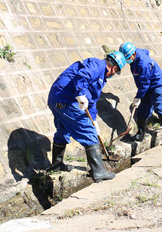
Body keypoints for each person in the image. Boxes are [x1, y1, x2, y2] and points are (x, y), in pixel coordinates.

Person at [47, 51, 126, 181]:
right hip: (66, 99)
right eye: (115, 72)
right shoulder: (97, 65)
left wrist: (94, 121)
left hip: (56, 99)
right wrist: (80, 94)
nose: (113, 74)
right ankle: (98, 171)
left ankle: (56, 165)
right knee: (89, 132)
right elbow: (82, 76)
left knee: (63, 131)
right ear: (114, 68)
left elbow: (92, 101)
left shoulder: (100, 76)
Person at [119, 42, 162, 145]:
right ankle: (140, 134)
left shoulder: (144, 63)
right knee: (142, 110)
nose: (127, 60)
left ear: (133, 54)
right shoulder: (135, 57)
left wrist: (138, 97)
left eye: (128, 58)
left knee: (160, 108)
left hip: (157, 84)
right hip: (146, 87)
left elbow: (144, 83)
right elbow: (145, 51)